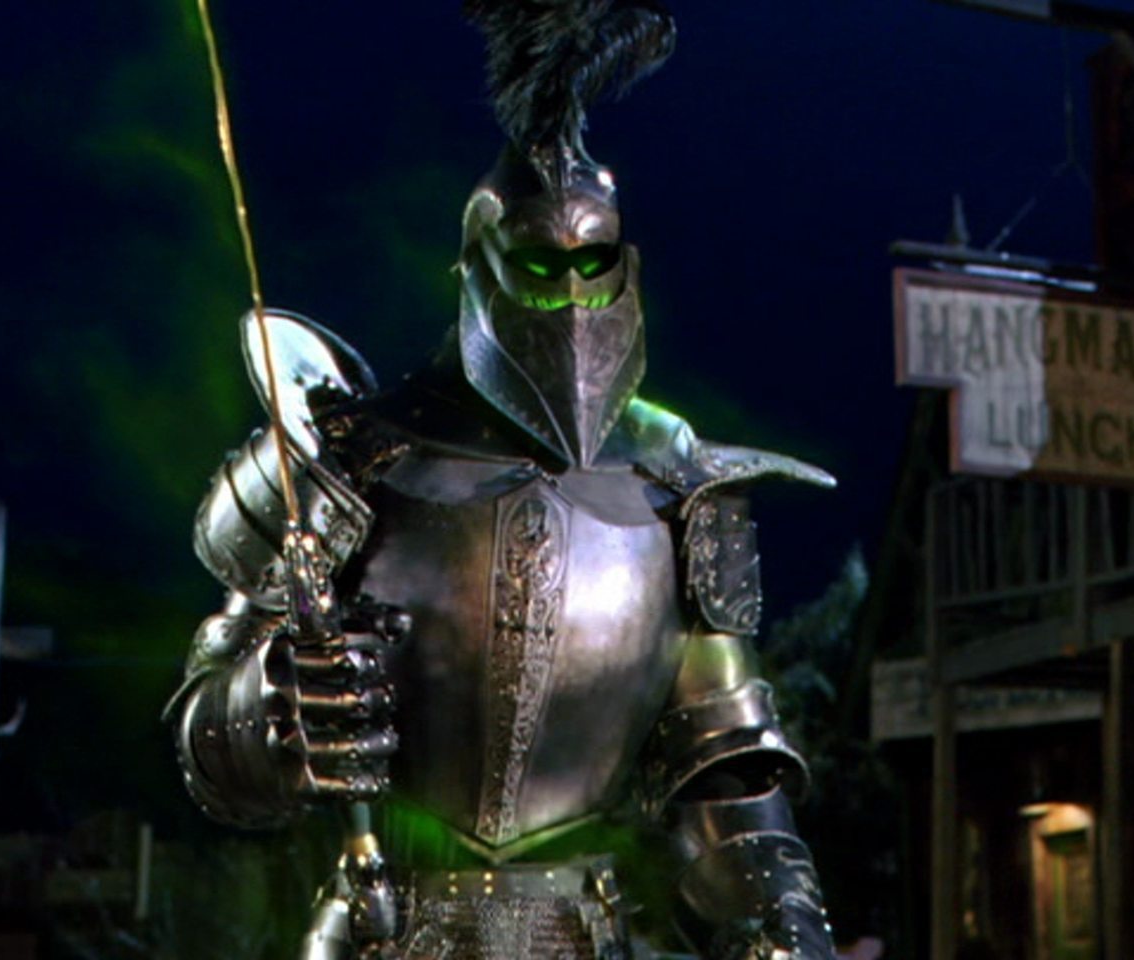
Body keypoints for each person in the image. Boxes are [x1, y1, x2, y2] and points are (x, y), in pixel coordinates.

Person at [165, 2, 837, 957]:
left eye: (590, 263)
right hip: (383, 928)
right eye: (537, 263)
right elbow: (206, 739)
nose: (569, 295)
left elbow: (722, 766)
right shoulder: (349, 458)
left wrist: (780, 927)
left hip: (584, 932)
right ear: (479, 260)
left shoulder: (676, 485)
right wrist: (274, 704)